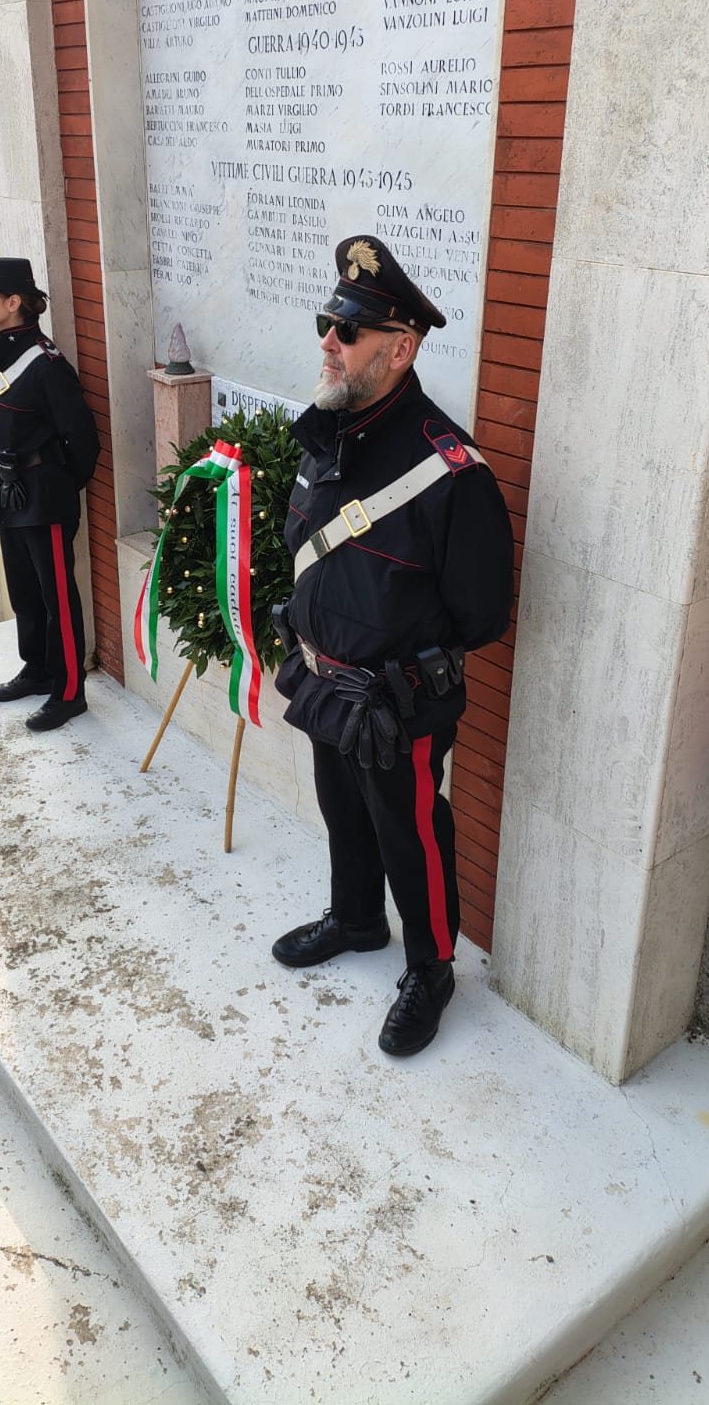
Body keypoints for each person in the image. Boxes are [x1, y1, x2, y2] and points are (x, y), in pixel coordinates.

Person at [272, 236, 514, 1056]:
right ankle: (355, 918)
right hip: (324, 681)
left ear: (400, 349)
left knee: (409, 832)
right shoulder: (329, 434)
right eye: (327, 323)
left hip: (394, 702)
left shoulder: (451, 471)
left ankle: (431, 967)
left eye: (348, 332)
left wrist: (397, 662)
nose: (328, 342)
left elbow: (482, 614)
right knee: (340, 809)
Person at [0, 257, 100, 731]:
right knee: (24, 592)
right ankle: (38, 669)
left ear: (13, 302)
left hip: (43, 495)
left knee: (57, 597)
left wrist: (57, 487)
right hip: (7, 490)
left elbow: (83, 440)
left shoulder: (45, 364)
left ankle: (69, 691)